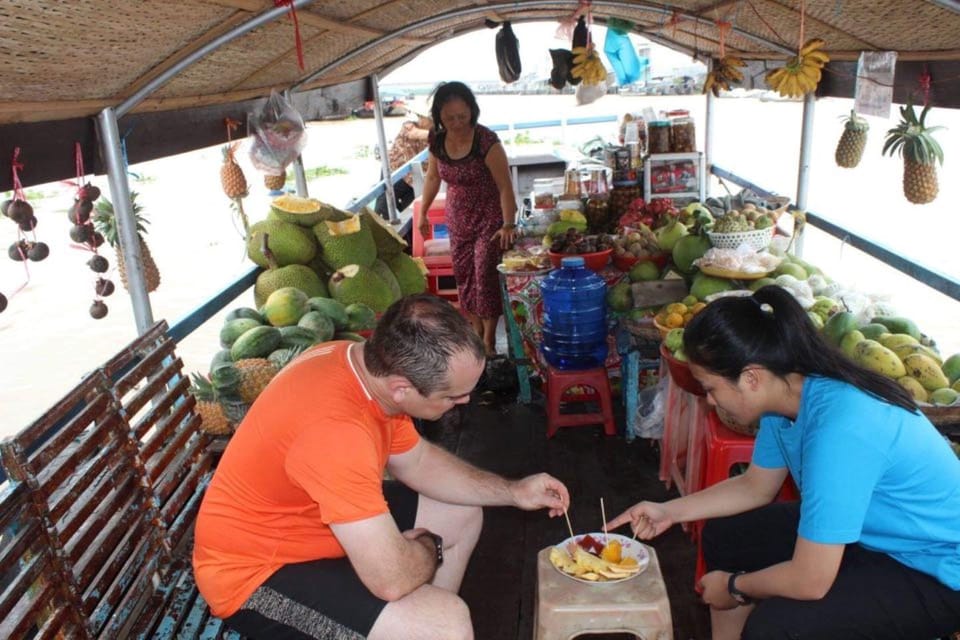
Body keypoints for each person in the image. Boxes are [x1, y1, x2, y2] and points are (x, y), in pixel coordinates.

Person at [193, 294, 570, 640]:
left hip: (308, 527)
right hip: (251, 579)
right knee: (445, 623)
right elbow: (391, 580)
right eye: (452, 396)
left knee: (462, 512)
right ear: (401, 387)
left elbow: (418, 461)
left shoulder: (356, 364)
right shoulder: (337, 432)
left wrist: (512, 491)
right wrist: (429, 547)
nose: (466, 401)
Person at [607, 285, 960, 640]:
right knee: (727, 537)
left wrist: (733, 587)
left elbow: (811, 580)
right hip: (876, 534)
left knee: (777, 627)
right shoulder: (788, 397)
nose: (710, 402)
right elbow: (755, 486)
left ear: (751, 378)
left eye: (710, 388)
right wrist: (669, 511)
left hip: (936, 571)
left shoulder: (840, 427)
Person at [417, 81, 518, 356]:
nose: (457, 123)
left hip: (489, 216)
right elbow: (433, 177)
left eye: (462, 116)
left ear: (472, 112)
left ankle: (489, 341)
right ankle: (474, 332)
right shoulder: (437, 141)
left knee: (484, 273)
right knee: (464, 276)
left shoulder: (486, 141)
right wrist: (424, 211)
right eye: (450, 118)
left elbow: (505, 186)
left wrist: (508, 223)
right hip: (458, 218)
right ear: (439, 116)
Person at [374, 113, 432, 219]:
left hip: (416, 178)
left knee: (410, 212)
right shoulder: (409, 127)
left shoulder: (437, 132)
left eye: (424, 118)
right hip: (395, 171)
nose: (421, 120)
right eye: (420, 117)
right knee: (383, 209)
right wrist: (437, 135)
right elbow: (414, 135)